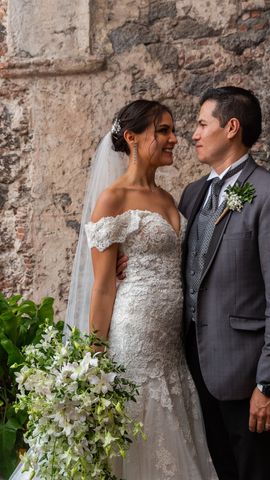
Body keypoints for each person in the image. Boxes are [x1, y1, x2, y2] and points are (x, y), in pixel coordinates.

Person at [119, 87, 270, 479]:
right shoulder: (193, 193)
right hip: (188, 364)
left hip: (242, 371)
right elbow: (177, 257)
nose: (193, 134)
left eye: (203, 123)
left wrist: (269, 384)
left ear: (232, 128)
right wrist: (131, 260)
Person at [75, 99, 216, 479]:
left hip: (171, 344)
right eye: (164, 131)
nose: (175, 139)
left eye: (173, 130)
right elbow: (103, 287)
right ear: (133, 138)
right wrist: (94, 360)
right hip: (133, 335)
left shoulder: (169, 198)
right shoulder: (113, 199)